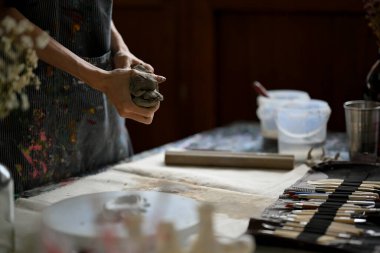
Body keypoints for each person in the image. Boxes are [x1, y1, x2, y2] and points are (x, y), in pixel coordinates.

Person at [0, 0, 166, 194]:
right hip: (33, 110)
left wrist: (120, 49)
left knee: (110, 209)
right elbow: (3, 14)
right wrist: (100, 78)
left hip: (102, 111)